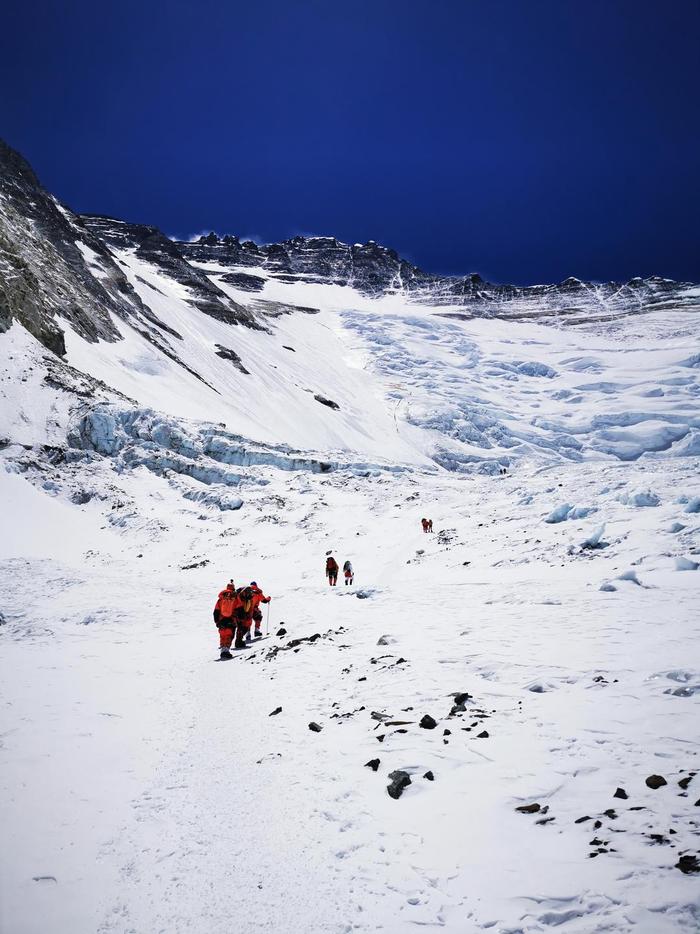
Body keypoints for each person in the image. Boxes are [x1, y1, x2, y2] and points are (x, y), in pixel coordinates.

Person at [213, 580, 239, 659]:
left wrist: (217, 621)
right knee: (229, 634)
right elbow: (238, 609)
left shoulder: (220, 599)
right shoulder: (234, 598)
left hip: (221, 620)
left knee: (222, 635)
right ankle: (226, 650)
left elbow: (216, 611)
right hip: (231, 620)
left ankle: (223, 650)